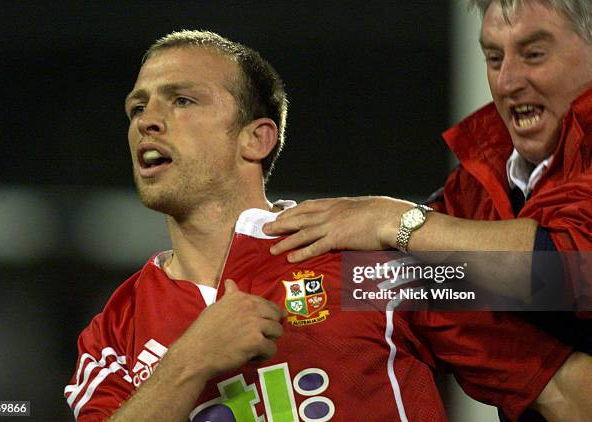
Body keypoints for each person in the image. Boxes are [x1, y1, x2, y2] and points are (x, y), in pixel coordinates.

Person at [64, 30, 592, 422]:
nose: (147, 120)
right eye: (138, 107)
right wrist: (192, 362)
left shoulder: (368, 271)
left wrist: (405, 224)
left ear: (257, 139)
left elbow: (565, 381)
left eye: (181, 100)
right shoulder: (115, 330)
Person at [264, 0, 591, 336]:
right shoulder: (483, 175)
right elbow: (400, 287)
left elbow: (570, 271)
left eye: (534, 54)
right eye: (494, 58)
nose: (507, 82)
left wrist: (394, 220)